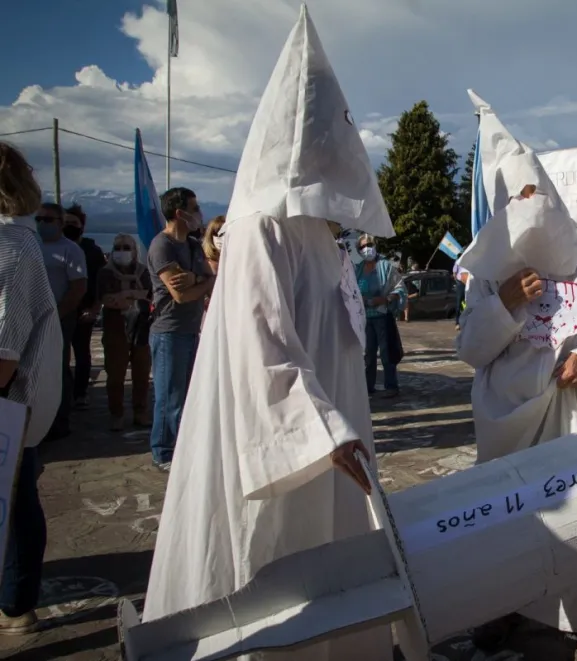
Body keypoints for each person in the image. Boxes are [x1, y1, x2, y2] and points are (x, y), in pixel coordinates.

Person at [142, 7, 396, 660]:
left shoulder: (320, 232)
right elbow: (262, 343)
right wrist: (323, 428)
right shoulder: (260, 226)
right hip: (281, 449)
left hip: (328, 443)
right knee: (273, 577)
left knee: (331, 571)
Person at [455, 106, 577, 661]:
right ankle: (501, 607)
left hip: (570, 412)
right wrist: (505, 305)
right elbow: (470, 350)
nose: (529, 207)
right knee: (507, 517)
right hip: (507, 414)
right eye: (516, 198)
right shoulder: (487, 267)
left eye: (536, 192)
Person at [0, 142, 61, 635]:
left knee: (15, 503)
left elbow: (4, 346)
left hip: (9, 405)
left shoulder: (11, 247)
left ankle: (16, 606)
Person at [146, 186, 213, 471]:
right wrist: (202, 282)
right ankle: (163, 452)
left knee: (186, 394)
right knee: (169, 395)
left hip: (191, 329)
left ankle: (182, 447)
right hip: (169, 330)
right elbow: (181, 294)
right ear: (179, 213)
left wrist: (195, 277)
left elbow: (211, 279)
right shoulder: (162, 246)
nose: (199, 214)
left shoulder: (194, 245)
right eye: (194, 208)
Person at [35, 201, 87, 440]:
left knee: (59, 368)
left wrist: (57, 314)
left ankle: (60, 420)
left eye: (48, 220)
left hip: (59, 318)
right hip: (30, 317)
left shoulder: (70, 250)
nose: (42, 224)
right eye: (39, 219)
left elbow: (78, 287)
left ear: (59, 223)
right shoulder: (31, 245)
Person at [97, 233, 152, 430]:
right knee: (115, 373)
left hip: (140, 325)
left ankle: (140, 411)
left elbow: (147, 294)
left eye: (126, 248)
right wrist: (132, 295)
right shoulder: (105, 273)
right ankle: (116, 413)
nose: (122, 252)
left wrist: (125, 296)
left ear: (135, 251)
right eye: (118, 248)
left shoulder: (143, 271)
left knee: (141, 371)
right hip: (115, 326)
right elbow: (107, 299)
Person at [64, 203, 107, 408]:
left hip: (84, 311)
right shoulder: (55, 247)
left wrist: (95, 308)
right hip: (61, 310)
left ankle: (80, 393)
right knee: (61, 355)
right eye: (66, 223)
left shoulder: (92, 251)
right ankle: (63, 393)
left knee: (82, 353)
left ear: (82, 225)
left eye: (74, 223)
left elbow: (100, 283)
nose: (70, 226)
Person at [356, 234, 406, 397]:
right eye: (362, 246)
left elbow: (400, 288)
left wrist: (385, 299)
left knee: (386, 354)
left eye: (369, 244)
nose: (366, 248)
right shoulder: (358, 269)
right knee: (368, 355)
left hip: (382, 316)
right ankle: (368, 387)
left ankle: (391, 386)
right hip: (365, 319)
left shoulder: (385, 266)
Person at [453, 262, 469, 330]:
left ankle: (467, 321)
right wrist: (458, 281)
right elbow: (454, 273)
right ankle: (457, 322)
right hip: (461, 283)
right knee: (459, 302)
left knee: (468, 301)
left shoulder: (472, 259)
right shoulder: (459, 261)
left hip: (469, 282)